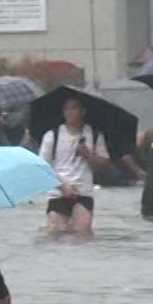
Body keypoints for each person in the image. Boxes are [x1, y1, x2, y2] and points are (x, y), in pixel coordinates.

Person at [40, 96, 107, 234]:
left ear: (83, 111)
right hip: (58, 192)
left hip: (83, 192)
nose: (69, 112)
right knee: (54, 232)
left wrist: (88, 156)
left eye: (74, 108)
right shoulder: (52, 135)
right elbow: (42, 166)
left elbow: (105, 164)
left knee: (83, 234)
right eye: (66, 108)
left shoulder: (94, 134)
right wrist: (62, 186)